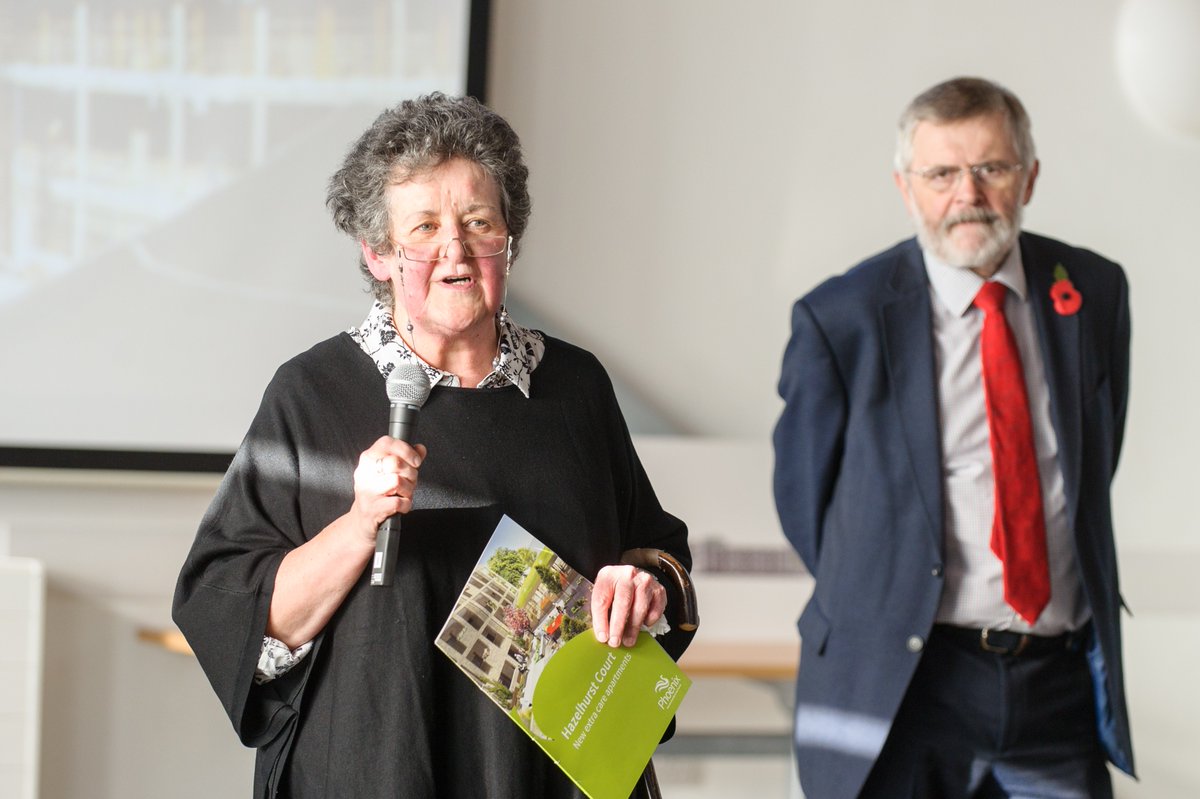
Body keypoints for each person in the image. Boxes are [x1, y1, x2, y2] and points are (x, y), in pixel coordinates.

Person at [173, 93, 692, 798]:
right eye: (424, 228)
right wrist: (358, 527)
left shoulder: (574, 388)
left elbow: (658, 556)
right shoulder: (310, 393)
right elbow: (231, 613)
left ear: (509, 238)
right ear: (378, 253)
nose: (455, 252)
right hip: (374, 771)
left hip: (556, 776)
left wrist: (640, 591)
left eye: (478, 223)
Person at [772, 77, 1134, 798]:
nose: (967, 193)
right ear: (907, 188)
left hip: (1054, 680)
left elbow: (1096, 459)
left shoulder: (1093, 291)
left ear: (1029, 176)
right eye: (941, 173)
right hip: (904, 684)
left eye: (991, 168)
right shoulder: (840, 317)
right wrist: (891, 587)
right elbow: (805, 502)